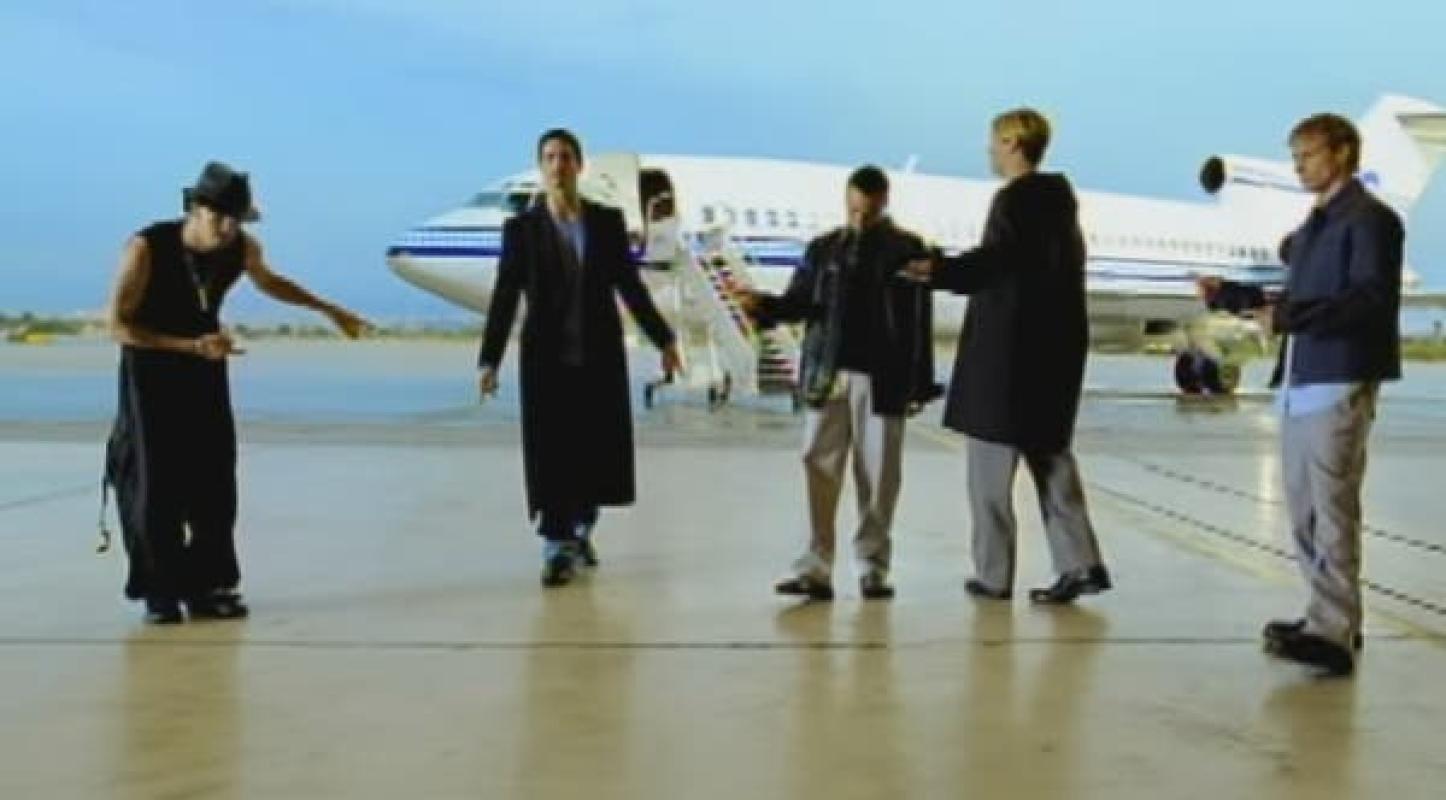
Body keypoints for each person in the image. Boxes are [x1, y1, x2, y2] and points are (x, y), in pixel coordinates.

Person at [104, 161, 369, 624]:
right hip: (151, 370)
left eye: (236, 219)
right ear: (194, 208)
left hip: (206, 367)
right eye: (219, 217)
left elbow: (271, 281)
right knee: (154, 482)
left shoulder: (241, 247)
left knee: (213, 480)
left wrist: (330, 310)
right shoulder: (146, 248)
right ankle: (160, 590)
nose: (227, 228)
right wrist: (189, 346)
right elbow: (117, 326)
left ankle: (207, 585)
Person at [1199, 113, 1403, 676]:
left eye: (1307, 155)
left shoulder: (1371, 220)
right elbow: (1300, 296)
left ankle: (1334, 629)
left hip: (1339, 375)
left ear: (1341, 153)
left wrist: (1289, 316)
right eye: (1295, 156)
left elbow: (1369, 300)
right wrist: (1234, 296)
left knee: (1333, 507)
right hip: (1301, 376)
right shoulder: (1315, 224)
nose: (1298, 167)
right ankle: (1325, 615)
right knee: (1305, 508)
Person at [903, 108, 1111, 605]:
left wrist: (938, 270)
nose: (990, 151)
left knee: (989, 476)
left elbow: (997, 263)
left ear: (1014, 143)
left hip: (1007, 357)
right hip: (1053, 354)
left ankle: (993, 575)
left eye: (995, 142)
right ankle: (1081, 563)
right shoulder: (1060, 206)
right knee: (1052, 461)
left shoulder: (1015, 200)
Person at [478, 129, 683, 588]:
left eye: (566, 157)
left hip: (598, 357)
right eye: (550, 158)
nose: (558, 165)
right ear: (541, 167)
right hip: (546, 360)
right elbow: (505, 295)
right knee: (551, 451)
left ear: (580, 165)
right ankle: (556, 544)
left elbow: (629, 288)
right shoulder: (522, 230)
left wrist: (664, 340)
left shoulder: (606, 223)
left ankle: (581, 528)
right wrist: (489, 360)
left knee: (594, 450)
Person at [740, 165, 939, 601]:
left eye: (868, 211)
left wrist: (920, 383)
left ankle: (872, 566)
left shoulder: (907, 250)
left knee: (879, 475)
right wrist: (766, 308)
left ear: (883, 203)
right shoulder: (824, 249)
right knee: (818, 464)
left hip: (883, 378)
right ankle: (816, 565)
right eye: (854, 211)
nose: (860, 219)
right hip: (827, 372)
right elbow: (801, 303)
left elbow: (919, 322)